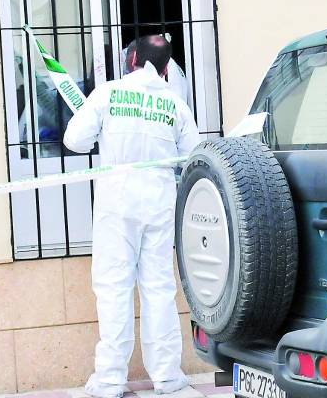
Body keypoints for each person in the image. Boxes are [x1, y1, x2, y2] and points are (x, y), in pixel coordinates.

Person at [63, 35, 201, 398]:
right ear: (167, 67)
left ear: (132, 58)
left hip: (116, 203)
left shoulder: (109, 93)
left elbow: (74, 140)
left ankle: (110, 380)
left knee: (113, 289)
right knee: (159, 289)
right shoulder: (174, 103)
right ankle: (168, 378)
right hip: (160, 202)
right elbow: (193, 154)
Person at [122, 37, 192, 109]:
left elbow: (176, 106)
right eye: (130, 70)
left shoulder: (172, 73)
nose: (135, 73)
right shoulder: (124, 56)